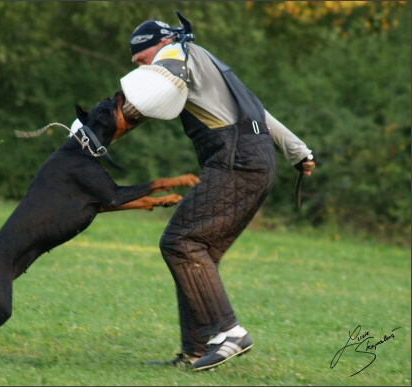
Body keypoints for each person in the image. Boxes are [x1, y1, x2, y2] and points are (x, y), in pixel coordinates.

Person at [117, 12, 316, 371]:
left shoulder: (175, 53)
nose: (141, 67)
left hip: (235, 160)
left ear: (159, 45)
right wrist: (298, 151)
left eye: (140, 59)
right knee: (198, 250)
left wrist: (104, 126)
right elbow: (258, 111)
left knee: (180, 242)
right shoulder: (207, 62)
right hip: (255, 160)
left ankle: (230, 333)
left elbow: (151, 94)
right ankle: (196, 349)